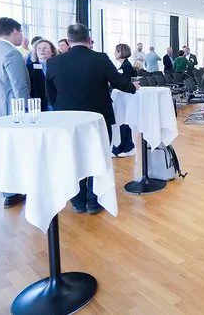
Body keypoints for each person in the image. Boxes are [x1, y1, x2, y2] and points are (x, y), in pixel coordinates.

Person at [45, 24, 137, 214]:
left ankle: (78, 201)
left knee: (73, 157)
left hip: (67, 119)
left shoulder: (54, 62)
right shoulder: (100, 58)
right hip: (98, 118)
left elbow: (50, 95)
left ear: (68, 41)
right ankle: (94, 200)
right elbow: (118, 82)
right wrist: (133, 87)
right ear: (88, 39)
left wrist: (61, 109)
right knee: (98, 156)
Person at [0, 17, 30, 209]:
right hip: (12, 111)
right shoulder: (11, 53)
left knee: (2, 151)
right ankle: (16, 189)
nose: (22, 36)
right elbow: (19, 86)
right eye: (21, 32)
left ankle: (8, 192)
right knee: (16, 151)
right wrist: (27, 111)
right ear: (15, 31)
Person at [112, 43, 136, 158]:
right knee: (121, 123)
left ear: (121, 52)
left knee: (124, 122)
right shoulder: (123, 65)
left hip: (125, 98)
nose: (114, 53)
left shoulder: (126, 66)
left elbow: (125, 83)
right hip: (122, 98)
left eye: (116, 51)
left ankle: (128, 147)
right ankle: (120, 147)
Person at [26, 39, 57, 112]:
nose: (42, 50)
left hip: (56, 105)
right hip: (38, 106)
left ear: (52, 52)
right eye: (39, 48)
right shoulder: (29, 68)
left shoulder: (58, 66)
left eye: (45, 48)